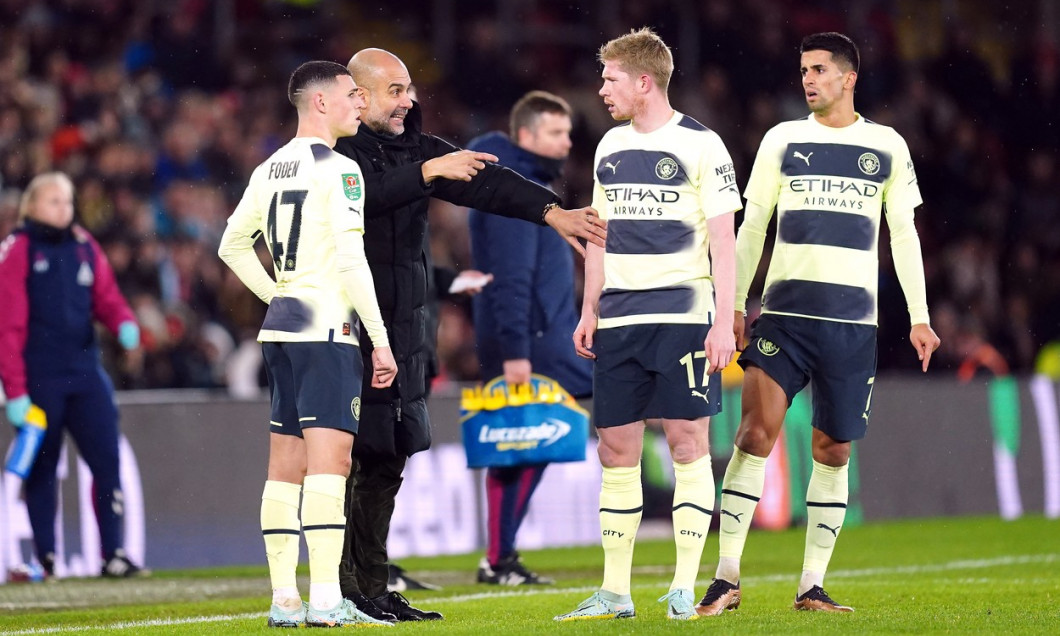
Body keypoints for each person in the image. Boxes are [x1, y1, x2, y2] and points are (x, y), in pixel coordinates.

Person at [332, 47, 607, 623]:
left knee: (390, 452)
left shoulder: (414, 149)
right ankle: (340, 587)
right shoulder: (334, 153)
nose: (409, 100)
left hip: (405, 327)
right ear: (358, 97)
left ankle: (370, 588)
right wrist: (426, 174)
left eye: (410, 88)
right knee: (347, 458)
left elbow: (486, 183)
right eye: (395, 91)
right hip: (348, 325)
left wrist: (551, 212)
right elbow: (362, 199)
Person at [698, 32, 941, 616]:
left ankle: (811, 585)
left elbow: (902, 234)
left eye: (819, 69)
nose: (808, 79)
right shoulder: (783, 139)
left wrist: (920, 317)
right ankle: (726, 577)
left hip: (852, 325)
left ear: (849, 77)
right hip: (784, 317)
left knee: (833, 452)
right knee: (754, 435)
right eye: (803, 69)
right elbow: (752, 225)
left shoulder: (885, 145)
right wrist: (734, 305)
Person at [555, 28, 742, 621]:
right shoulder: (608, 145)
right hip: (620, 319)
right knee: (615, 450)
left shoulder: (703, 145)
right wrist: (590, 309)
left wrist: (720, 322)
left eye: (610, 78)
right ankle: (615, 592)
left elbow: (723, 243)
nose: (602, 89)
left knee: (688, 445)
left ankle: (684, 588)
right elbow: (598, 236)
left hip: (683, 317)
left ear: (643, 81)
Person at [217, 60, 397, 628]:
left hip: (281, 330)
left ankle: (284, 599)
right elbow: (349, 259)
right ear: (320, 102)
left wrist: (279, 292)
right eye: (350, 95)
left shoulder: (269, 168)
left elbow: (231, 245)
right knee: (330, 465)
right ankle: (324, 599)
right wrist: (382, 339)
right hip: (325, 331)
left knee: (284, 469)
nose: (359, 104)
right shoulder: (342, 170)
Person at [467, 90, 593, 586]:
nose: (566, 142)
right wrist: (516, 351)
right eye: (556, 132)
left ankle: (500, 555)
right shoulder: (511, 191)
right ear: (526, 135)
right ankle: (498, 559)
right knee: (522, 444)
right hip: (532, 343)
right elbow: (512, 278)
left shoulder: (525, 183)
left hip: (543, 336)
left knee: (531, 444)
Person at [0, 172, 146, 580]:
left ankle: (112, 553)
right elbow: (7, 326)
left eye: (67, 201)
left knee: (106, 460)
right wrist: (15, 391)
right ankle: (47, 558)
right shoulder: (18, 251)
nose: (63, 208)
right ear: (31, 206)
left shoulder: (84, 245)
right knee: (44, 469)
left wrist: (124, 323)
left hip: (85, 373)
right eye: (53, 201)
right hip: (40, 377)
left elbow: (107, 298)